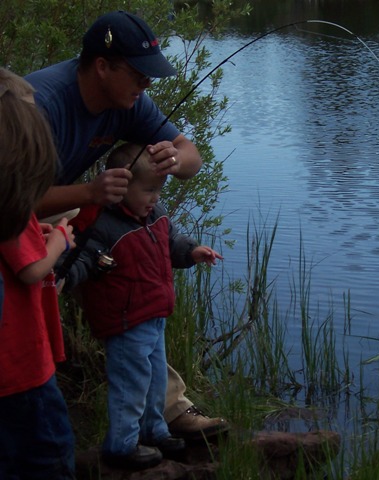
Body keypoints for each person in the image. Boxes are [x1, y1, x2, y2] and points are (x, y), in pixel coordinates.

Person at [25, 10, 229, 440]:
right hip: (19, 208)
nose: (147, 86)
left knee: (132, 282)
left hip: (60, 204)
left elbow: (191, 155)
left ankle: (170, 410)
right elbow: (12, 199)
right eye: (139, 75)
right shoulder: (43, 104)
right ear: (102, 66)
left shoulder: (128, 100)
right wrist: (89, 194)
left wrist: (175, 161)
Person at [61, 143, 224, 469]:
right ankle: (121, 445)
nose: (155, 197)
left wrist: (192, 252)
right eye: (148, 190)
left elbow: (172, 244)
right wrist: (64, 276)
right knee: (130, 385)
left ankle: (154, 430)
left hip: (154, 317)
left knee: (154, 381)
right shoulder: (104, 226)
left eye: (159, 190)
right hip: (125, 322)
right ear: (121, 188)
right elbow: (79, 262)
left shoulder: (157, 215)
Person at [0, 68, 76, 479]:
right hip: (20, 371)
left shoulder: (14, 210)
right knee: (49, 455)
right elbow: (31, 269)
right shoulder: (8, 209)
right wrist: (61, 238)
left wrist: (40, 231)